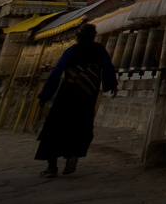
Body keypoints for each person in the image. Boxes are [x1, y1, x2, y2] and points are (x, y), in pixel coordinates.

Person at [34, 23, 118, 178]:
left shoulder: (72, 51)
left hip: (68, 93)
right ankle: (73, 155)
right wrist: (111, 85)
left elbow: (56, 73)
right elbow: (108, 68)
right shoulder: (100, 50)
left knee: (55, 129)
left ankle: (52, 168)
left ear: (78, 36)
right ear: (94, 36)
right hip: (88, 94)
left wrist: (44, 96)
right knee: (81, 126)